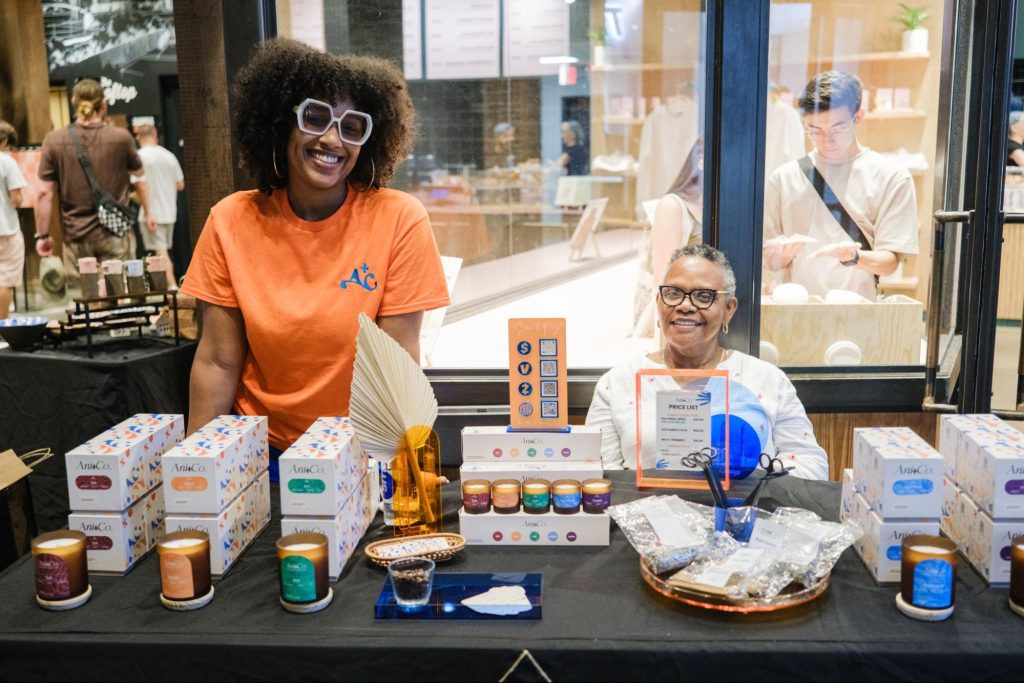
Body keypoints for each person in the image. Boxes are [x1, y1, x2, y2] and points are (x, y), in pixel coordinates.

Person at [180, 38, 450, 479]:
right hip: (260, 453)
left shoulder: (400, 219)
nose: (331, 139)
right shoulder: (230, 221)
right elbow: (217, 362)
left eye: (352, 126)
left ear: (371, 138)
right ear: (281, 122)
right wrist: (193, 475)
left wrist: (405, 469)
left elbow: (399, 364)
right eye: (316, 117)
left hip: (363, 451)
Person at [588, 244, 829, 480]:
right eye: (673, 293)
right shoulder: (618, 383)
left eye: (704, 296)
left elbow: (812, 467)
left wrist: (748, 482)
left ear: (729, 309)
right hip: (649, 517)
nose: (685, 306)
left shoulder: (767, 380)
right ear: (659, 302)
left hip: (745, 517)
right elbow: (598, 475)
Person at [763, 71, 918, 300]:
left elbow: (889, 264)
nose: (826, 139)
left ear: (859, 116)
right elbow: (769, 261)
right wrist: (782, 254)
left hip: (858, 311)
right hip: (796, 313)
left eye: (838, 128)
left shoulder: (891, 177)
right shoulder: (784, 178)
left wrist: (854, 257)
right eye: (814, 129)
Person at [34, 78, 158, 284]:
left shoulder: (54, 140)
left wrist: (43, 235)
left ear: (74, 103)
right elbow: (139, 175)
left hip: (76, 236)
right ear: (103, 105)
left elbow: (44, 193)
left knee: (86, 303)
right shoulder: (121, 137)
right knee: (120, 296)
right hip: (115, 232)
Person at [632, 137, 704, 337]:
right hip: (681, 319)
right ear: (700, 159)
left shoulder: (721, 206)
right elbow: (663, 280)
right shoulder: (673, 206)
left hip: (707, 316)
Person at [131, 124, 184, 287]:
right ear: (155, 135)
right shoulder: (169, 156)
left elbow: (140, 186)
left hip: (152, 213)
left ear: (138, 137)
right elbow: (180, 184)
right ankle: (166, 289)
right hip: (169, 212)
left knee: (161, 254)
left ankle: (173, 289)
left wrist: (148, 212)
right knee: (162, 253)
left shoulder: (139, 157)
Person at [0, 121, 27, 320]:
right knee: (4, 279)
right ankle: (1, 328)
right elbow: (16, 198)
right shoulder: (6, 161)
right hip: (5, 228)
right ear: (6, 141)